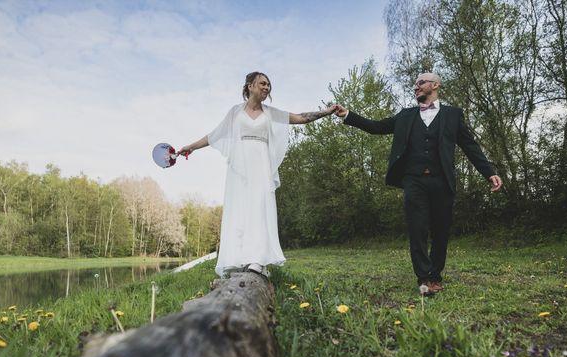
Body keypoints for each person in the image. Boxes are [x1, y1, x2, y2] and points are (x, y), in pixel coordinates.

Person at [335, 72, 503, 295]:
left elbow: (470, 146)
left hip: (442, 181)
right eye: (414, 84)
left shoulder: (453, 115)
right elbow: (376, 126)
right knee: (417, 229)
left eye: (420, 83)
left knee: (441, 231)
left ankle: (436, 275)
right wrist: (348, 115)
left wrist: (488, 172)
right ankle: (424, 278)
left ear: (435, 85)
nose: (415, 87)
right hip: (414, 181)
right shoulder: (405, 116)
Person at [177, 71, 337, 278]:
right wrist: (190, 147)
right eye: (262, 83)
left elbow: (302, 118)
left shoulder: (271, 113)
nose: (266, 87)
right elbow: (214, 135)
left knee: (260, 207)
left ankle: (258, 260)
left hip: (261, 166)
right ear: (250, 86)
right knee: (240, 208)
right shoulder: (235, 112)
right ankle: (238, 258)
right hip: (239, 168)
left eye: (268, 85)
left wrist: (327, 111)